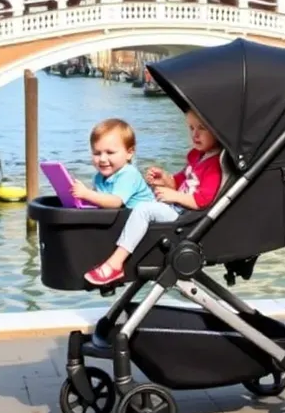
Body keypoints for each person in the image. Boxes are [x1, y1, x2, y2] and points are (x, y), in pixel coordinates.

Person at [84, 109, 223, 287]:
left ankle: (115, 264)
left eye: (201, 128)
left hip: (186, 218)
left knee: (143, 209)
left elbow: (203, 200)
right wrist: (165, 179)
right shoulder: (198, 156)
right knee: (142, 208)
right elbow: (181, 180)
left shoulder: (215, 164)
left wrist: (174, 195)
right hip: (176, 208)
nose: (195, 134)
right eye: (191, 128)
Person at [70, 117, 155, 209]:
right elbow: (100, 202)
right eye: (97, 153)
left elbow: (115, 202)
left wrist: (86, 193)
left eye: (110, 152)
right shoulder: (98, 177)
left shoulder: (129, 174)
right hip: (122, 217)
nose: (102, 159)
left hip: (151, 220)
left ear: (129, 153)